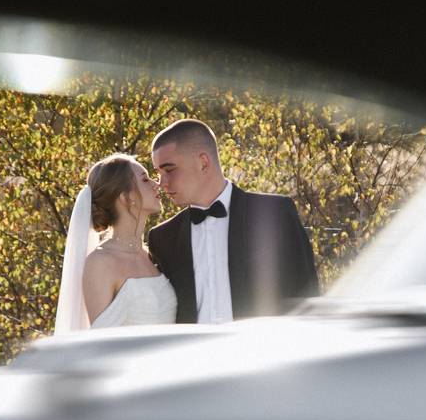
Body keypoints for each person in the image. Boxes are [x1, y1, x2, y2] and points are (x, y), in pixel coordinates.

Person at [147, 118, 320, 324]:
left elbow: (306, 295)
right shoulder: (162, 238)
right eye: (158, 173)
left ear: (203, 163)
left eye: (169, 170)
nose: (162, 183)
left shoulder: (273, 214)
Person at [53, 154, 177, 333]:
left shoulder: (152, 255)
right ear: (125, 197)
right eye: (145, 179)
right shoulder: (100, 263)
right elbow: (101, 341)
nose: (156, 184)